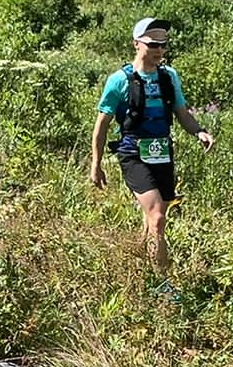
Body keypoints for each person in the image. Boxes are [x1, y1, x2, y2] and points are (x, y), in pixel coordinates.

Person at [91, 17, 215, 284]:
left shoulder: (169, 77)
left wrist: (199, 131)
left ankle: (139, 269)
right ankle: (162, 283)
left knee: (154, 218)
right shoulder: (118, 80)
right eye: (153, 44)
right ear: (136, 44)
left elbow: (182, 112)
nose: (159, 49)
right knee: (157, 215)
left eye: (163, 44)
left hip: (162, 151)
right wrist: (96, 164)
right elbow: (102, 125)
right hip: (132, 152)